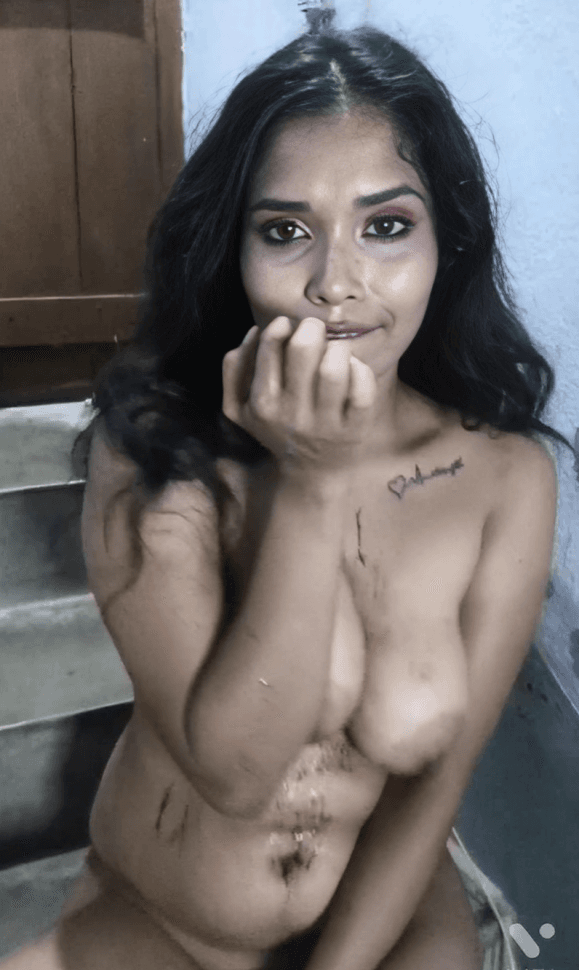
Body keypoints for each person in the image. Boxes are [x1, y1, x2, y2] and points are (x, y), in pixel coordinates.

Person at [3, 19, 572, 970]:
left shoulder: (506, 477)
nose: (335, 284)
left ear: (448, 240)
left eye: (385, 227)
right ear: (232, 248)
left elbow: (433, 788)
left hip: (382, 916)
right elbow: (234, 771)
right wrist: (311, 482)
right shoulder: (153, 447)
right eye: (285, 232)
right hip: (160, 915)